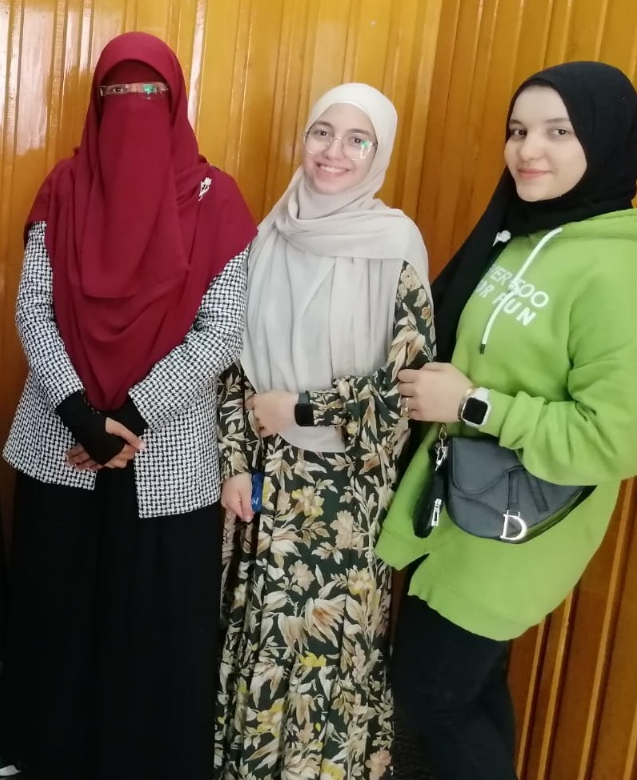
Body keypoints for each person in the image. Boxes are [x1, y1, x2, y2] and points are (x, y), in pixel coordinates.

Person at [382, 61, 637, 780]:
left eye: (558, 132)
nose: (528, 150)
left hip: (516, 529)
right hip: (458, 510)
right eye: (518, 130)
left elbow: (623, 437)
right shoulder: (523, 234)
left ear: (604, 142)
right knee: (468, 692)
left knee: (432, 696)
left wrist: (474, 404)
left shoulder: (624, 277)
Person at [0, 32, 258, 780]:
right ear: (95, 105)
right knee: (55, 606)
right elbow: (33, 308)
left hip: (166, 449)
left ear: (175, 106)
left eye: (149, 96)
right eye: (115, 95)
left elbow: (221, 330)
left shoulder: (217, 200)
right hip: (61, 441)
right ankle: (40, 748)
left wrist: (130, 419)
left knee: (152, 620)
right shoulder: (64, 188)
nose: (132, 111)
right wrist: (80, 414)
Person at [214, 84, 433, 780]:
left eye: (357, 139)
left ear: (378, 153)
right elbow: (231, 366)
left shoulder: (395, 245)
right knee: (257, 641)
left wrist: (303, 410)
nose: (334, 151)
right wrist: (233, 463)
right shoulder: (266, 237)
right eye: (322, 132)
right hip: (264, 485)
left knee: (327, 655)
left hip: (345, 499)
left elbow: (408, 391)